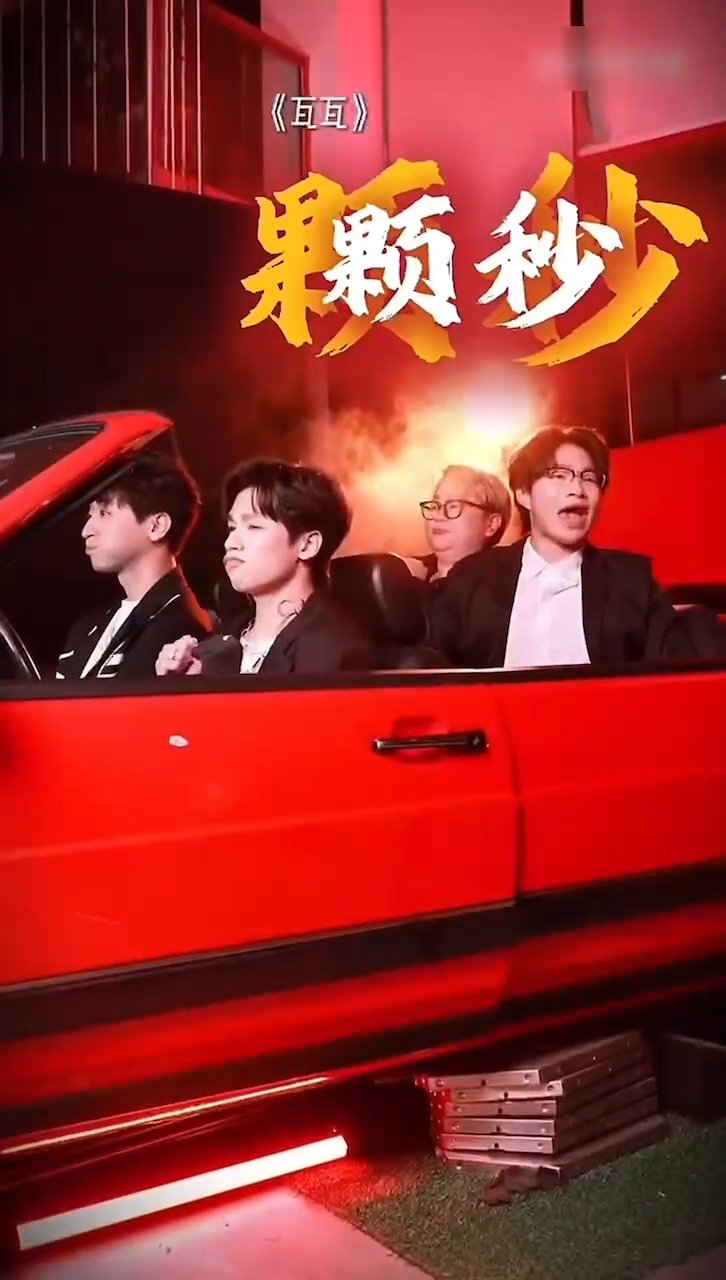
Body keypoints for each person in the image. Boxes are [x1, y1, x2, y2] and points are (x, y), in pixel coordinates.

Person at [429, 425, 726, 669]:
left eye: (589, 477)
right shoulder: (472, 579)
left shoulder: (631, 581)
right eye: (558, 476)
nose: (577, 489)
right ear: (523, 494)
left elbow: (674, 678)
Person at [156, 458, 372, 677]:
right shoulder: (222, 639)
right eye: (232, 528)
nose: (231, 543)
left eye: (254, 527)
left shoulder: (331, 650)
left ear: (307, 545)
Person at [55, 452, 212, 680]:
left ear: (156, 526)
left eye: (104, 513)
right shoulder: (88, 625)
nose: (86, 530)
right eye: (90, 515)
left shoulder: (180, 630)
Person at [404, 465, 512, 584]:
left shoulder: (505, 585)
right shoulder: (402, 575)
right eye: (435, 505)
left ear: (491, 524)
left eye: (453, 506)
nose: (438, 515)